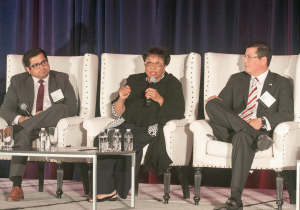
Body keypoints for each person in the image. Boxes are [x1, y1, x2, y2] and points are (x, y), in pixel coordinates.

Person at [205, 42, 294, 210]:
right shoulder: (236, 78)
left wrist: (261, 121)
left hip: (249, 132)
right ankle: (256, 135)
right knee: (211, 104)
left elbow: (287, 113)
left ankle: (235, 199)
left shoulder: (280, 82)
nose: (243, 60)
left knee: (242, 136)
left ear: (263, 60)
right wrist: (217, 102)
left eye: (248, 57)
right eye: (244, 56)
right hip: (231, 129)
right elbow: (222, 106)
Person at [90, 47, 185, 202]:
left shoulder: (172, 83)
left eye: (158, 63)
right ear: (144, 64)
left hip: (149, 127)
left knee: (124, 142)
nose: (153, 67)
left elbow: (178, 112)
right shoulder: (134, 80)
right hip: (126, 123)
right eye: (149, 63)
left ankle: (114, 188)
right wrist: (121, 98)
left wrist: (160, 99)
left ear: (165, 66)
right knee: (101, 139)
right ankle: (106, 189)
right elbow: (119, 112)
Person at [0, 48, 77, 201]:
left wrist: (43, 115)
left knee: (60, 108)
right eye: (36, 65)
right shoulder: (18, 81)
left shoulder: (61, 78)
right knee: (23, 133)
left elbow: (72, 107)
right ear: (28, 69)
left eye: (44, 62)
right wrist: (21, 120)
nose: (42, 67)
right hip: (30, 126)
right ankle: (17, 186)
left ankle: (16, 129)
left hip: (53, 126)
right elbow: (5, 110)